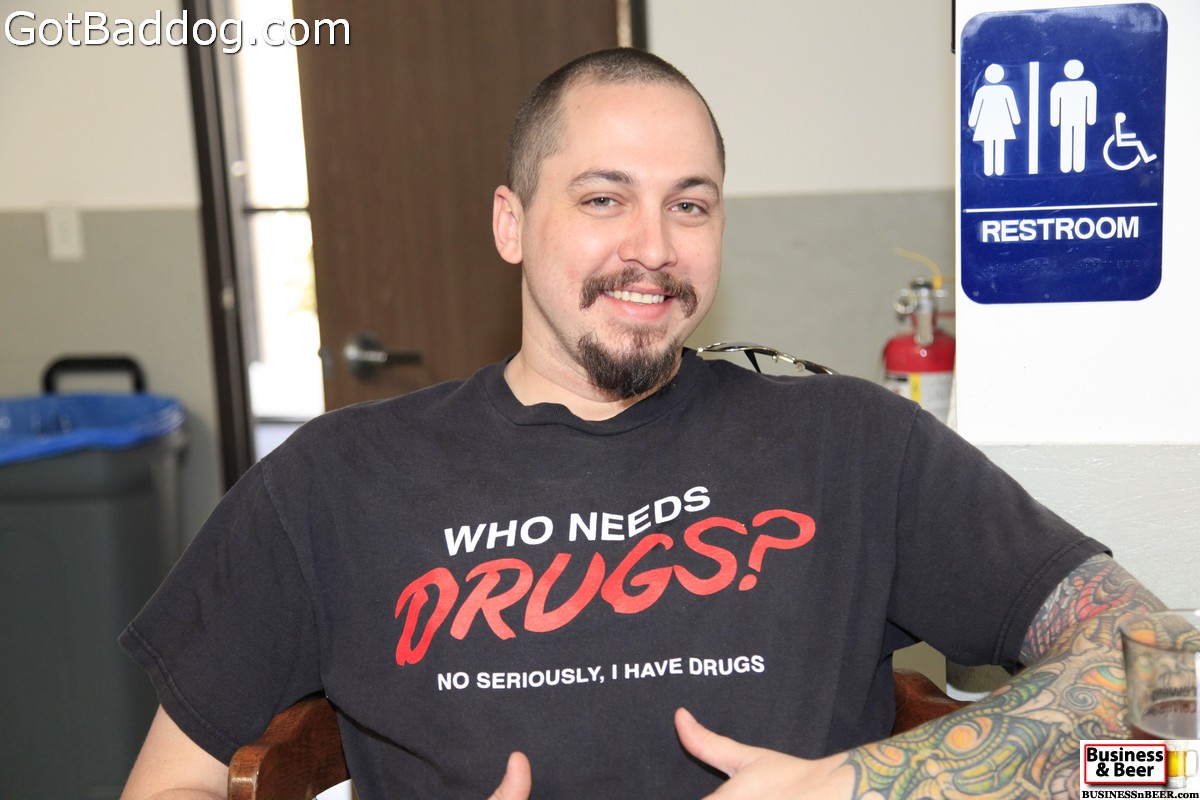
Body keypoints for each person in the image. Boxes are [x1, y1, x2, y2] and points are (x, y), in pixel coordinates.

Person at [120, 48, 1163, 800]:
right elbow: (169, 782)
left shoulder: (853, 446)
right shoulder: (335, 480)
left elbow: (1177, 694)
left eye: (690, 205)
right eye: (603, 199)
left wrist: (861, 783)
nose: (654, 248)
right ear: (511, 222)